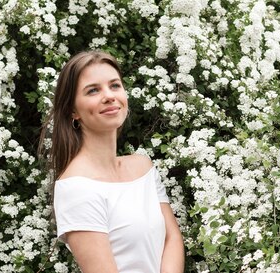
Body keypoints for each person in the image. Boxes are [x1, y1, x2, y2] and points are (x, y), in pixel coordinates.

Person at [39, 50, 184, 273]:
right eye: (93, 90)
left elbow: (171, 239)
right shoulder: (76, 187)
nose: (109, 95)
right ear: (72, 111)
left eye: (115, 85)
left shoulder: (143, 167)